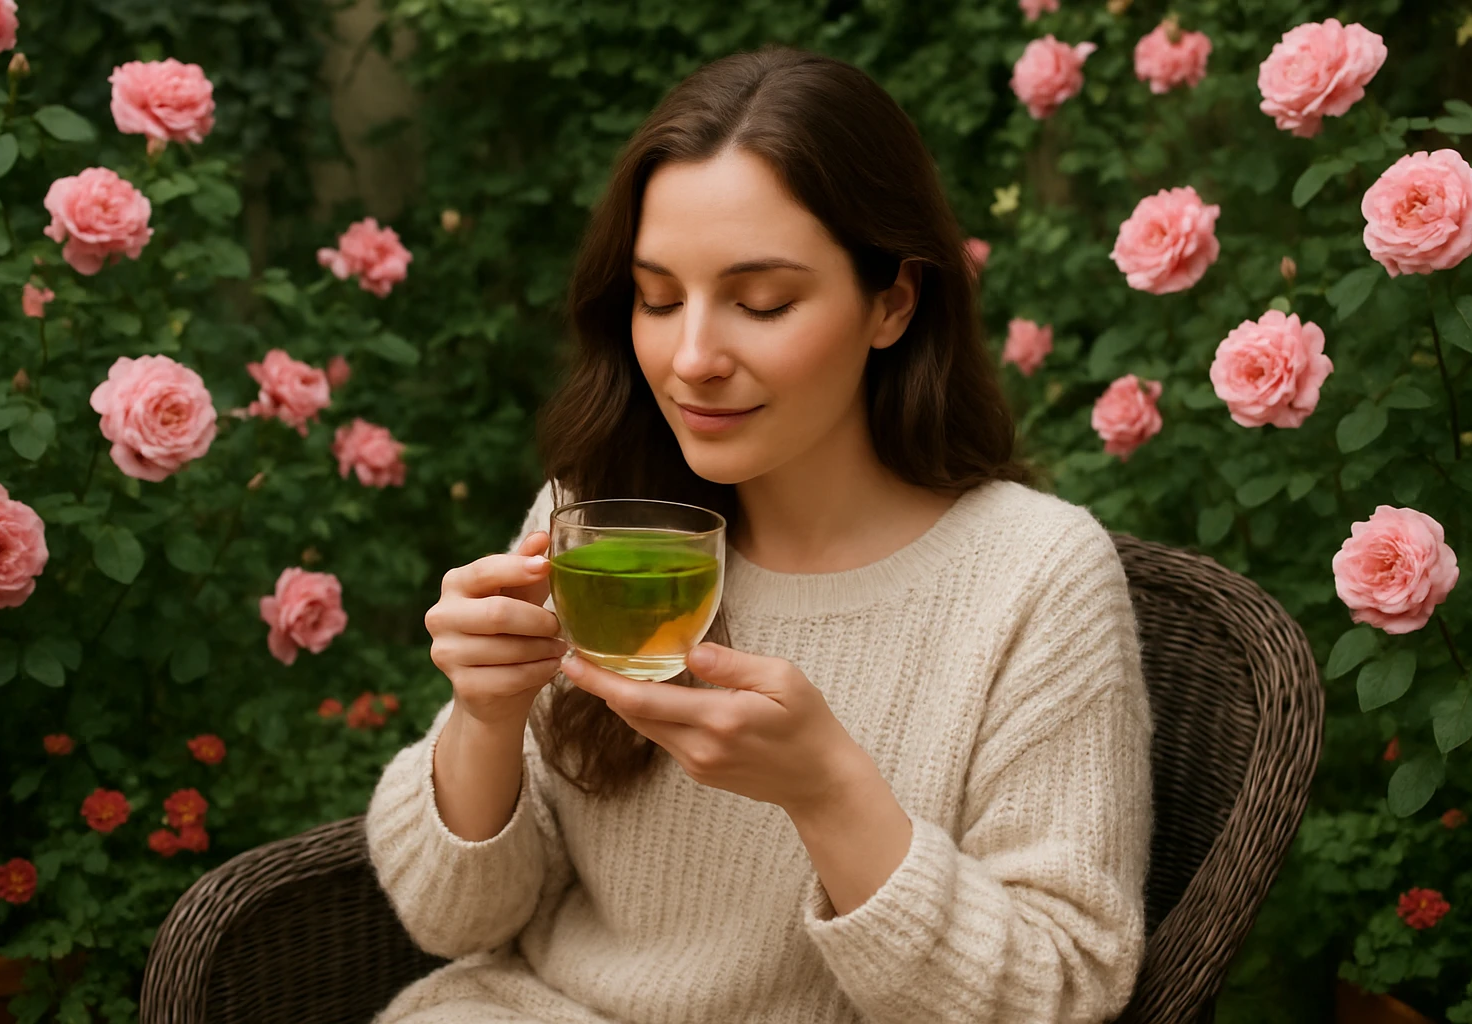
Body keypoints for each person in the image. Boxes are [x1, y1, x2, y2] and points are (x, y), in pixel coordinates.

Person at [366, 42, 1152, 1024]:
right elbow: (456, 919)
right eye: (657, 298)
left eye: (761, 302)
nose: (691, 357)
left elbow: (1060, 990)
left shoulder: (1033, 576)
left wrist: (827, 792)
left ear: (893, 302)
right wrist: (482, 719)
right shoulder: (600, 519)